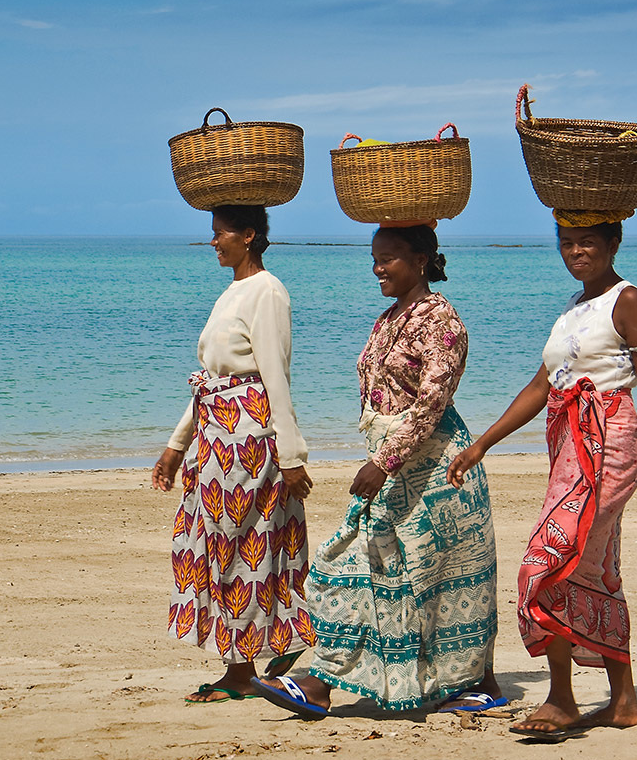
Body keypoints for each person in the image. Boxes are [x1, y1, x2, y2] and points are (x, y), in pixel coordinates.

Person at [447, 218, 637, 739]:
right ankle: (625, 701)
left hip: (610, 442)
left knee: (548, 562)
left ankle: (562, 700)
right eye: (566, 242)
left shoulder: (630, 303)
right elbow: (545, 382)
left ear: (614, 243)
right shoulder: (572, 308)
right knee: (593, 569)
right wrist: (483, 442)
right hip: (570, 444)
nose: (575, 251)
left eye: (587, 241)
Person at [252, 223, 502, 718]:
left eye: (388, 258)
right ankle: (324, 680)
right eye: (374, 258)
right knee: (359, 569)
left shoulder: (441, 320)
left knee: (443, 581)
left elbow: (432, 402)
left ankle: (476, 682)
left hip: (436, 475)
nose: (378, 268)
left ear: (423, 260)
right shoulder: (388, 318)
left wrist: (382, 462)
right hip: (397, 472)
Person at [152, 205, 315, 703]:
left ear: (248, 236)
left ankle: (247, 668)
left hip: (247, 441)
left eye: (220, 234)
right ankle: (260, 655)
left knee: (246, 549)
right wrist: (177, 445)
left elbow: (273, 375)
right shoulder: (233, 292)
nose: (214, 242)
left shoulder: (267, 291)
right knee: (214, 547)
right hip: (216, 438)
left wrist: (290, 453)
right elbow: (212, 381)